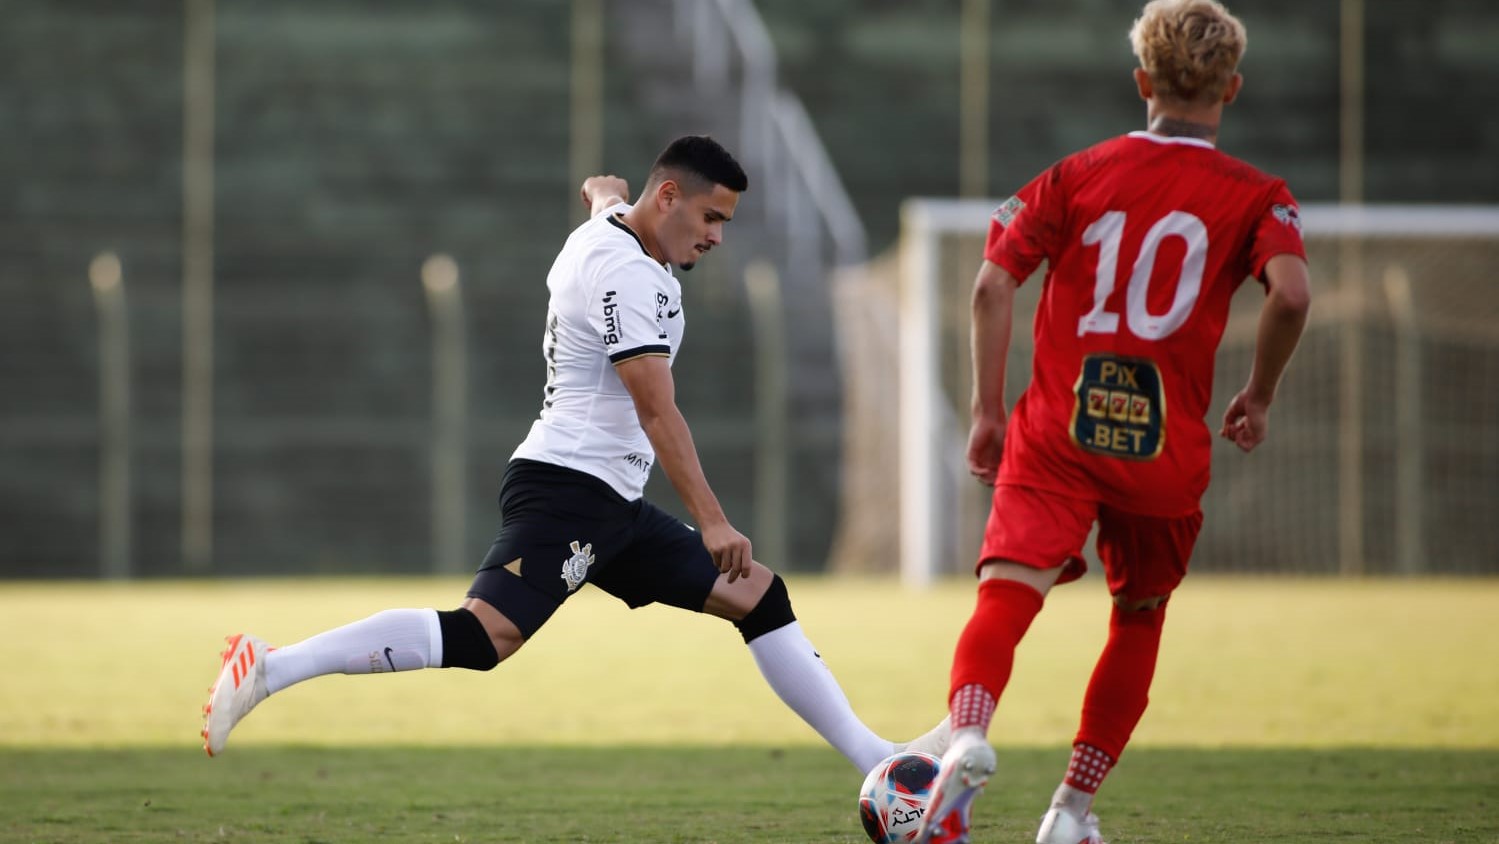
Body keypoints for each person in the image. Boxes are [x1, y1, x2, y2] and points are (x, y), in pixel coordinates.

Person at [201, 134, 945, 774]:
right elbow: (656, 409)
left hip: (608, 500)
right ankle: (269, 667)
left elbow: (604, 209)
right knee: (485, 635)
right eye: (710, 216)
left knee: (759, 596)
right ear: (666, 197)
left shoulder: (611, 232)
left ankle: (875, 758)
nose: (717, 236)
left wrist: (601, 194)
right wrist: (713, 522)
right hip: (570, 489)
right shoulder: (623, 273)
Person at [913, 2, 1311, 842]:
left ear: (1141, 83)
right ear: (1230, 89)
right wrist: (1259, 393)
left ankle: (971, 733)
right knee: (1137, 617)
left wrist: (989, 412)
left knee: (1006, 595)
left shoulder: (1076, 173)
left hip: (1059, 426)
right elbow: (1293, 293)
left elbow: (991, 284)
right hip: (1162, 449)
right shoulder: (1256, 196)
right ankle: (1070, 810)